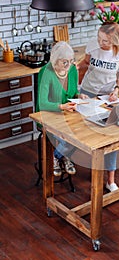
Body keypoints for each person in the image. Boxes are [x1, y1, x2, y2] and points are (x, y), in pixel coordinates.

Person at [77, 22, 119, 191]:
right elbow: (85, 62)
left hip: (107, 96)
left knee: (110, 136)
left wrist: (116, 90)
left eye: (106, 41)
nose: (101, 43)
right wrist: (74, 67)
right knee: (81, 130)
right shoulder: (93, 45)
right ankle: (64, 159)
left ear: (115, 40)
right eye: (99, 39)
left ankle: (110, 180)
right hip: (87, 92)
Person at [37, 41, 88, 177]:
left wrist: (79, 95)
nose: (68, 65)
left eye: (70, 61)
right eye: (64, 62)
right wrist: (60, 106)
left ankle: (58, 156)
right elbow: (42, 103)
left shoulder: (72, 70)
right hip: (47, 116)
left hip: (67, 114)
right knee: (68, 139)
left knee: (83, 135)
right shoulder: (46, 72)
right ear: (55, 60)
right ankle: (59, 157)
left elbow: (73, 92)